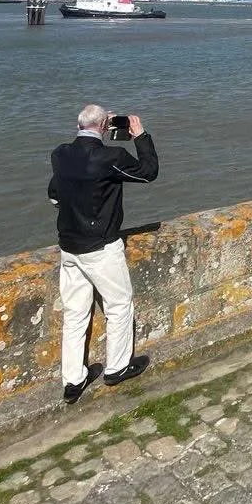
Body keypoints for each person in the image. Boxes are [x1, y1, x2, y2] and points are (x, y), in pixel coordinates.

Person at [49, 105, 159, 404]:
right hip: (100, 247)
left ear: (78, 124)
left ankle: (73, 381)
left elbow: (55, 194)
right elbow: (148, 173)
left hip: (69, 247)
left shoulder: (60, 154)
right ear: (104, 126)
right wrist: (140, 136)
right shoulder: (111, 158)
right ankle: (117, 367)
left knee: (75, 315)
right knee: (119, 305)